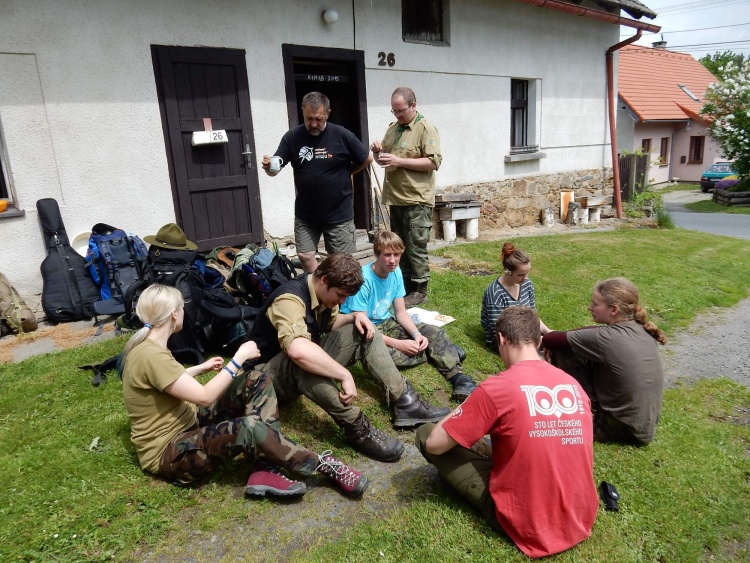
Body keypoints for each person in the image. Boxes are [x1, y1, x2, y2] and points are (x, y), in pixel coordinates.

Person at [121, 284, 369, 499]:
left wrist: (200, 368)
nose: (184, 311)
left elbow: (167, 379)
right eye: (182, 308)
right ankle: (321, 464)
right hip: (171, 454)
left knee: (255, 379)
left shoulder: (148, 348)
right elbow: (205, 397)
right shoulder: (150, 355)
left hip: (189, 423)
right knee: (248, 427)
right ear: (174, 314)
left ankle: (265, 468)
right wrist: (238, 358)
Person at [416, 307, 598, 559]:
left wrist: (471, 403)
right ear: (538, 341)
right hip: (580, 515)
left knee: (426, 433)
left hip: (526, 524)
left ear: (501, 339)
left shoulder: (498, 388)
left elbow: (434, 444)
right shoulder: (572, 384)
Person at [246, 253, 451, 463]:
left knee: (364, 330)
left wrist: (355, 317)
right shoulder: (289, 299)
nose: (342, 301)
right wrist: (344, 374)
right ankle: (357, 427)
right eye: (340, 295)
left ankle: (404, 401)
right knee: (303, 361)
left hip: (292, 364)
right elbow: (298, 351)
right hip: (262, 380)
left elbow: (328, 324)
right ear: (324, 280)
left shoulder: (320, 291)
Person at [341, 231, 477, 401]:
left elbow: (400, 312)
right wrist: (398, 344)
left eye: (397, 254)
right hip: (364, 329)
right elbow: (364, 327)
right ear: (377, 254)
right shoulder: (364, 280)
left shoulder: (395, 272)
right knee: (388, 356)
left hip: (386, 322)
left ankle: (460, 379)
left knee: (434, 332)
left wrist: (416, 334)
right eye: (387, 255)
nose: (392, 260)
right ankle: (443, 351)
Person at [542, 277, 666, 445]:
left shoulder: (605, 338)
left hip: (618, 429)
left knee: (563, 350)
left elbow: (550, 340)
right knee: (583, 351)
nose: (590, 307)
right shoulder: (641, 329)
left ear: (614, 309)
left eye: (595, 304)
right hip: (642, 428)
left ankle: (587, 412)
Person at [262, 91, 373, 273]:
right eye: (309, 119)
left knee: (341, 263)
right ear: (302, 112)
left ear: (328, 114)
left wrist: (347, 172)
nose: (313, 124)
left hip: (338, 213)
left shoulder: (342, 135)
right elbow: (275, 168)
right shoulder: (292, 137)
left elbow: (367, 158)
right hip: (306, 214)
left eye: (318, 119)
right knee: (305, 255)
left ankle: (336, 290)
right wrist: (269, 167)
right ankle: (319, 287)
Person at [370, 87, 441, 307]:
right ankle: (403, 286)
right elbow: (384, 160)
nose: (398, 115)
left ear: (413, 105)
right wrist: (377, 152)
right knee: (399, 247)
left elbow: (434, 162)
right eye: (394, 111)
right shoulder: (393, 129)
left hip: (416, 199)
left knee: (415, 246)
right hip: (395, 198)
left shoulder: (425, 128)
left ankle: (420, 290)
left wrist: (399, 161)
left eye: (401, 110)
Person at [480, 242, 551, 349]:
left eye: (527, 272)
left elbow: (533, 316)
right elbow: (498, 330)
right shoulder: (495, 292)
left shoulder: (527, 284)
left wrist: (548, 331)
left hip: (525, 331)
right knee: (542, 353)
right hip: (505, 340)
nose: (525, 278)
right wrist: (532, 341)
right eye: (521, 275)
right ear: (508, 272)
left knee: (554, 343)